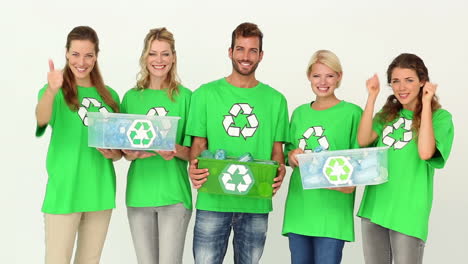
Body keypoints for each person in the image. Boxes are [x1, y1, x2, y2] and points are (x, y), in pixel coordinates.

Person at [186, 22, 289, 264]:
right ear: (230, 51)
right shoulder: (205, 94)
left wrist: (280, 170)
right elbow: (199, 145)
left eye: (253, 50)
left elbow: (277, 152)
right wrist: (193, 166)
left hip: (255, 203)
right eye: (240, 49)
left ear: (261, 55)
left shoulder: (276, 101)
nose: (246, 56)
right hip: (213, 199)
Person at [35, 26, 121, 264]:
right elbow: (41, 120)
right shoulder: (55, 91)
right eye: (75, 54)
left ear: (96, 56)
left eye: (88, 55)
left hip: (99, 192)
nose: (81, 61)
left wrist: (113, 153)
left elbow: (117, 153)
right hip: (65, 191)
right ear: (66, 53)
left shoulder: (110, 96)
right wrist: (52, 91)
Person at [357, 53, 454, 264]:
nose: (402, 87)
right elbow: (363, 139)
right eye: (395, 81)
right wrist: (372, 96)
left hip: (408, 211)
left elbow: (426, 152)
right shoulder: (387, 114)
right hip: (376, 206)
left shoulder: (441, 118)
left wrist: (426, 104)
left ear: (422, 82)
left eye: (409, 80)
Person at [283, 50, 362, 264]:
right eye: (317, 75)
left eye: (330, 75)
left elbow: (361, 160)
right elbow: (286, 154)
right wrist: (291, 156)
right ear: (309, 76)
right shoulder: (299, 113)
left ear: (339, 77)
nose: (323, 82)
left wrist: (350, 184)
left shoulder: (353, 113)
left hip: (332, 211)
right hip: (300, 208)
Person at [120, 27, 192, 264]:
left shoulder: (187, 98)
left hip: (173, 195)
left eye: (165, 54)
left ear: (173, 57)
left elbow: (196, 152)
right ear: (144, 57)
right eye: (153, 54)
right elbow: (125, 151)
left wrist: (174, 149)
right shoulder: (131, 98)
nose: (158, 60)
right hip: (139, 195)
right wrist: (129, 154)